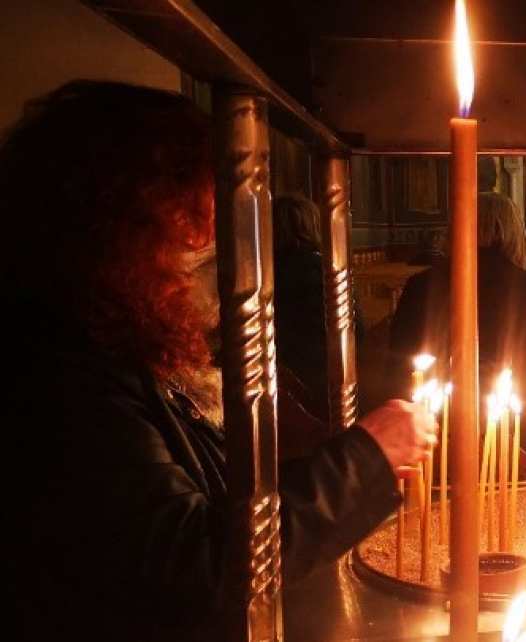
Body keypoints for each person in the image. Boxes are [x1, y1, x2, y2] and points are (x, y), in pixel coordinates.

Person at [2, 81, 436, 642]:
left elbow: (218, 494)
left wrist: (346, 464)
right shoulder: (61, 385)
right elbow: (197, 566)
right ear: (122, 237)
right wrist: (364, 461)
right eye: (193, 235)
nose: (208, 257)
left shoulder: (118, 351)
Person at [389, 192, 526, 459]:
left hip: (435, 437)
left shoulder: (421, 286)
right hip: (524, 438)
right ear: (513, 233)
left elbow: (400, 364)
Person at [273, 193, 366, 422]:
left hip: (278, 381)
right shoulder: (329, 271)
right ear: (314, 226)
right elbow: (358, 330)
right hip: (327, 380)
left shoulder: (263, 274)